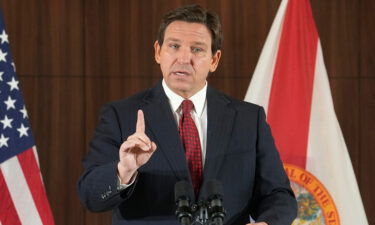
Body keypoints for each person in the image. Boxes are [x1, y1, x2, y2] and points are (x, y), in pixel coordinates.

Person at [78, 4, 297, 225]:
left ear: (214, 60)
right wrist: (123, 171)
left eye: (197, 49)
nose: (183, 58)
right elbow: (90, 196)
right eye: (174, 46)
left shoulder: (249, 119)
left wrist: (268, 223)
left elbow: (278, 195)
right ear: (158, 51)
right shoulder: (120, 115)